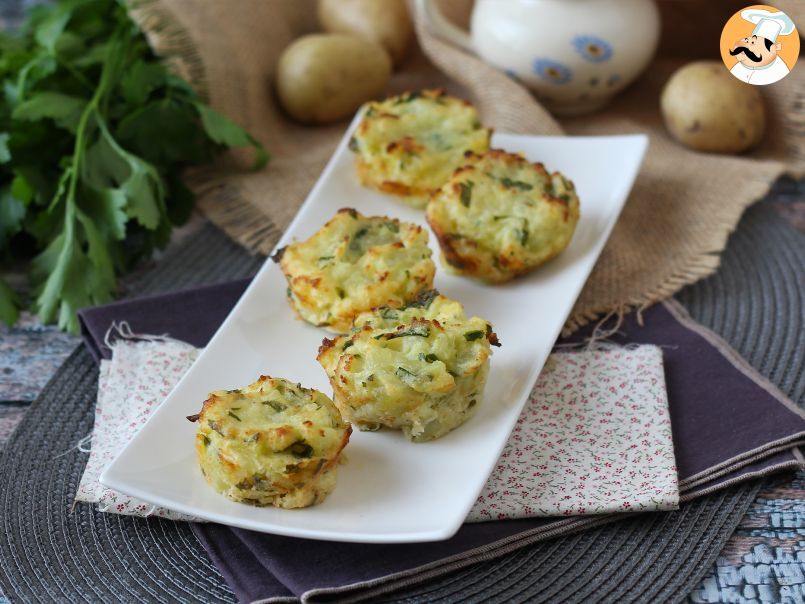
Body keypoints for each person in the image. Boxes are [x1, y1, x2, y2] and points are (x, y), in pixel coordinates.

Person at [729, 9, 796, 85]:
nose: (746, 45)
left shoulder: (780, 71)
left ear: (776, 47)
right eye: (747, 40)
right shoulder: (737, 67)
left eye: (753, 43)